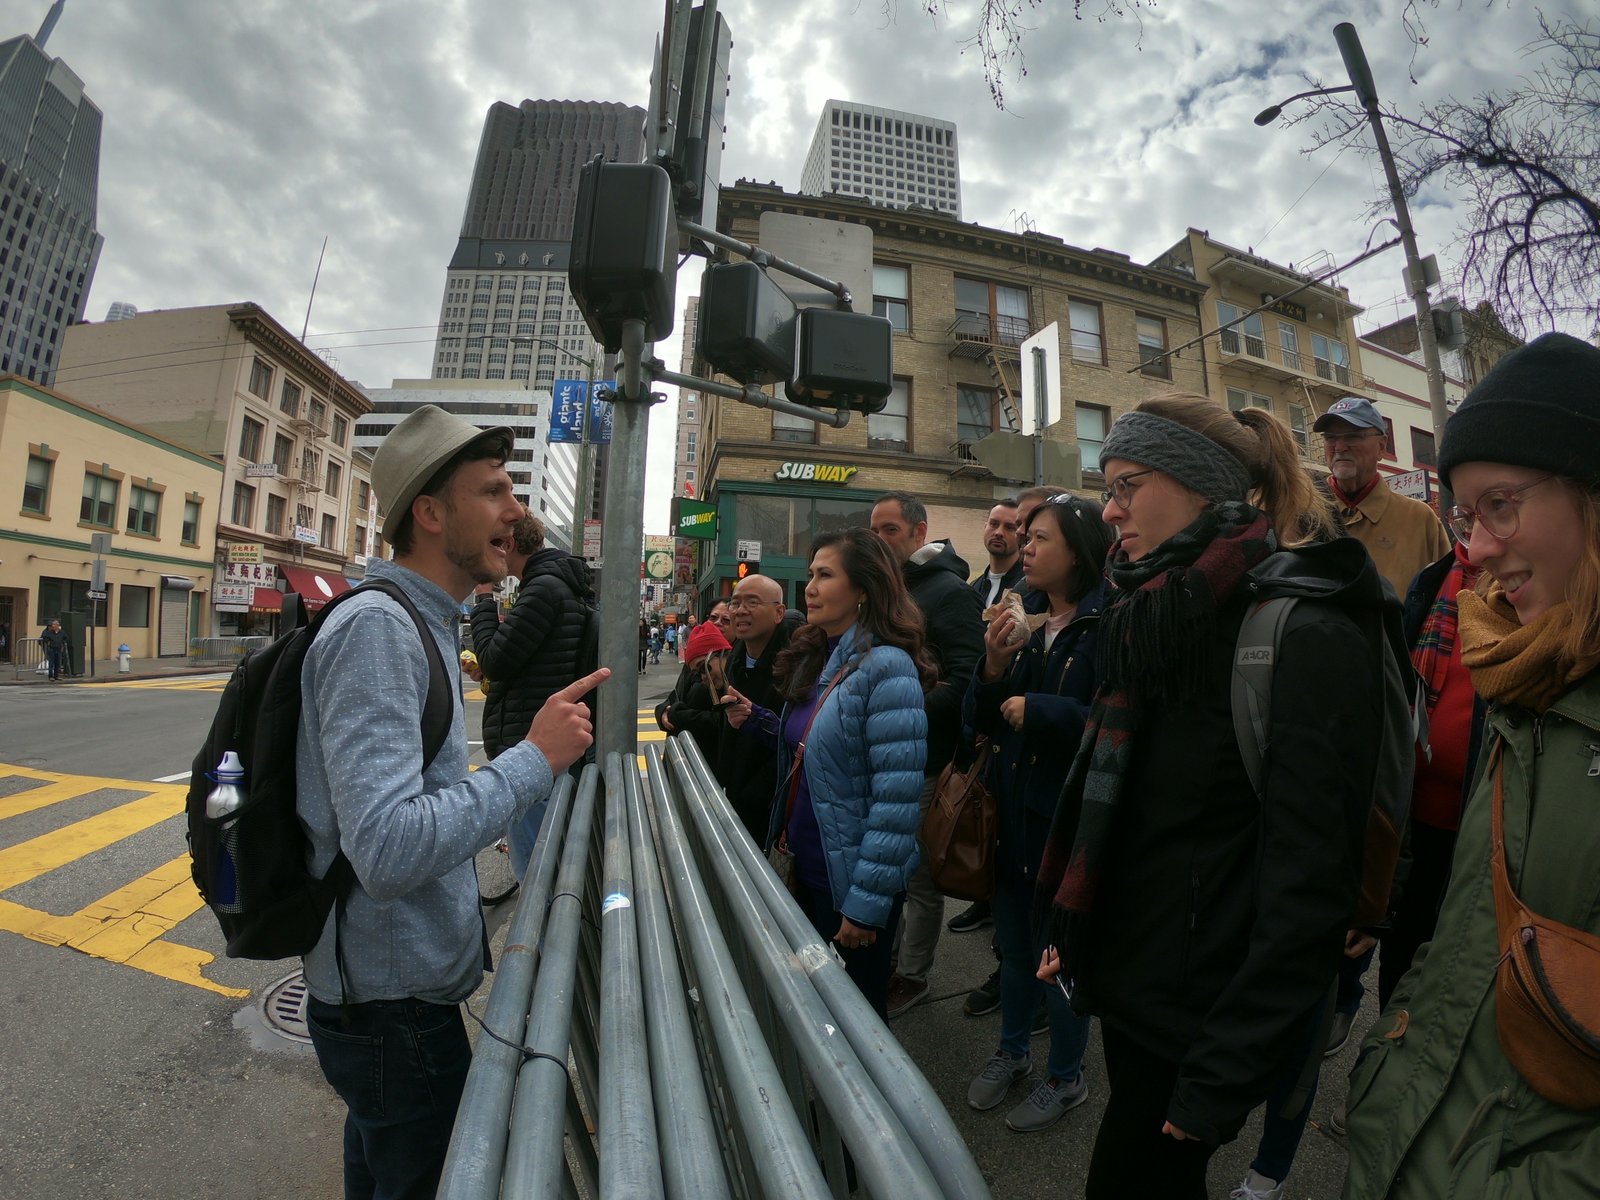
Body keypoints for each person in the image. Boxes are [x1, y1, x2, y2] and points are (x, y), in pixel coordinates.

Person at [1035, 394, 1382, 1198]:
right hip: (1136, 985)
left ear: (1202, 486)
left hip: (1202, 1016)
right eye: (1106, 486)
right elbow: (1134, 815)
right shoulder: (1147, 612)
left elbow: (1309, 884)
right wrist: (1083, 931)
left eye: (1128, 485)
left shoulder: (1301, 630)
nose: (1108, 508)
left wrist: (1224, 1072)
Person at [296, 404, 607, 1199]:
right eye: (495, 492)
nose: (517, 512)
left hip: (392, 998)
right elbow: (390, 849)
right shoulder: (379, 630)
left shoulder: (420, 621)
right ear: (430, 515)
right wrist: (533, 759)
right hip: (389, 1011)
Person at [1343, 332, 1600, 1199]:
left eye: (1500, 505)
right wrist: (1386, 1072)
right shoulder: (1525, 684)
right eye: (1464, 516)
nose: (1476, 549)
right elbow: (1464, 940)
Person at [727, 527, 934, 1018]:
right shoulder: (830, 655)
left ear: (864, 589)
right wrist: (760, 721)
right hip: (808, 872)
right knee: (818, 1013)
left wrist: (864, 904)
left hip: (849, 887)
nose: (810, 588)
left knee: (858, 1022)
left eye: (825, 575)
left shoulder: (887, 668)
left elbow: (896, 802)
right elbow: (819, 749)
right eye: (810, 575)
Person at [963, 494, 1112, 1133]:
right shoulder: (1022, 623)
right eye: (1024, 537)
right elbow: (977, 718)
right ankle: (1014, 1051)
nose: (1025, 546)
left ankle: (1067, 1075)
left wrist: (1043, 712)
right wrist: (994, 664)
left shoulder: (1109, 625)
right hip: (1011, 819)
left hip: (1066, 826)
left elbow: (1119, 725)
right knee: (1016, 952)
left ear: (1077, 552)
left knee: (1060, 960)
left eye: (1040, 538)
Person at [870, 490, 985, 1017]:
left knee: (917, 876)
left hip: (925, 760)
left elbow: (967, 678)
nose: (879, 539)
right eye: (874, 529)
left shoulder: (949, 593)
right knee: (888, 866)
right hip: (887, 757)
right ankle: (890, 959)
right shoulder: (889, 592)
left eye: (889, 529)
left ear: (920, 533)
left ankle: (912, 976)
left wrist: (904, 711)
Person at [949, 484, 1068, 945]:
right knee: (1015, 932)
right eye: (1015, 526)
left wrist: (1037, 709)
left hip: (1052, 799)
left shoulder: (1098, 611)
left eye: (1030, 528)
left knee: (1049, 940)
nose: (1019, 536)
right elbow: (982, 704)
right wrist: (993, 668)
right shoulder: (996, 593)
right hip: (1006, 780)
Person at [469, 508, 596, 879]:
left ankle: (539, 940)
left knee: (537, 876)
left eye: (494, 543)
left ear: (508, 544)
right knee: (549, 868)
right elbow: (527, 662)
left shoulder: (542, 587)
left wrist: (483, 599)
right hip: (544, 744)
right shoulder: (555, 584)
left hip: (533, 749)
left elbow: (495, 659)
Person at [1316, 396, 1452, 599]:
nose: (1340, 447)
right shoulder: (1302, 512)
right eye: (1330, 438)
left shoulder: (1419, 519)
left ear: (1382, 446)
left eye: (1353, 436)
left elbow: (1448, 598)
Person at [718, 573, 796, 842]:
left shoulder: (797, 664)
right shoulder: (735, 657)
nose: (740, 610)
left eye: (752, 602)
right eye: (735, 602)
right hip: (736, 795)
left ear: (778, 612)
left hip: (773, 807)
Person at [656, 619, 733, 762]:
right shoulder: (695, 673)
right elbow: (674, 697)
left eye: (726, 620)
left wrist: (680, 716)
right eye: (698, 673)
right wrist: (664, 712)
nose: (704, 677)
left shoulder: (742, 678)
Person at [972, 498, 1024, 608]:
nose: (999, 533)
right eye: (994, 524)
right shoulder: (973, 588)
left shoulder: (1028, 587)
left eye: (1009, 527)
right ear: (985, 526)